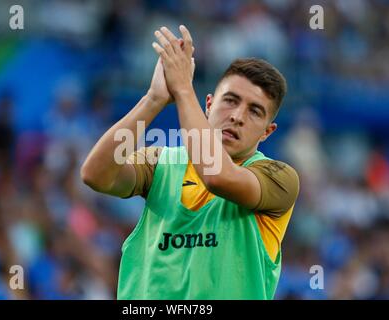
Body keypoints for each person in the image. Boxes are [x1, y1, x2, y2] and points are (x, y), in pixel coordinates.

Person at [81, 25, 299, 299]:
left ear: (268, 131)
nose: (237, 116)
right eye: (230, 101)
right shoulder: (160, 161)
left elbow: (216, 176)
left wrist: (183, 89)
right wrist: (154, 99)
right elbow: (95, 175)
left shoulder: (279, 177)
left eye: (255, 111)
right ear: (208, 105)